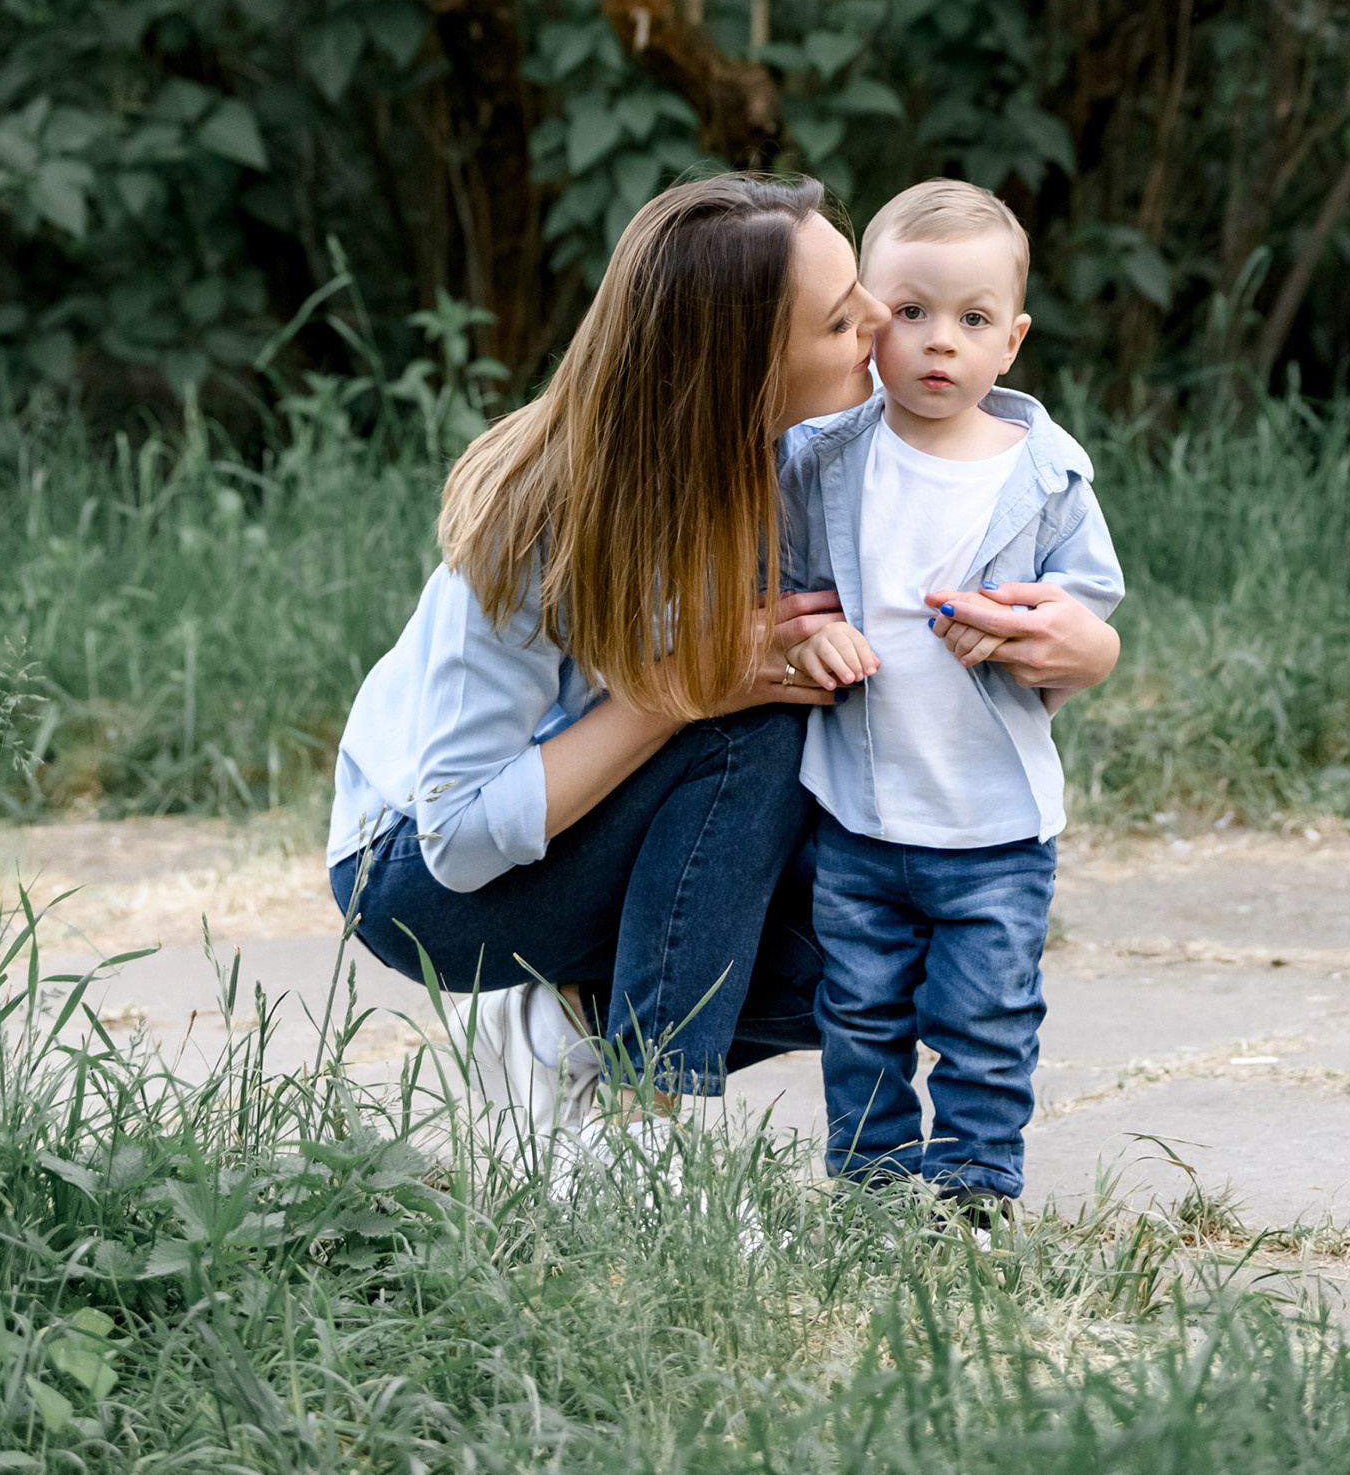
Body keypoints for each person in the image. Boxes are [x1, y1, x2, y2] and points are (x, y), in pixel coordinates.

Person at [327, 172, 882, 1138]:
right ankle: (643, 1126)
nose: (879, 317)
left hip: (612, 835)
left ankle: (567, 1025)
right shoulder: (535, 524)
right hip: (417, 879)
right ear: (743, 372)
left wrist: (1073, 637)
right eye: (841, 322)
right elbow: (453, 841)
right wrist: (681, 689)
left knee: (896, 938)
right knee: (749, 715)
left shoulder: (798, 458)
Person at [774, 177, 1124, 1231]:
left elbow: (1085, 596)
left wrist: (1033, 624)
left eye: (972, 321)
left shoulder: (1046, 473)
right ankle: (873, 1188)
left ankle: (977, 1188)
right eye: (912, 313)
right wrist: (806, 632)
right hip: (859, 810)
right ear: (870, 319)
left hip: (995, 820)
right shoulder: (823, 458)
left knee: (986, 1015)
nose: (939, 343)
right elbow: (779, 588)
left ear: (1010, 341)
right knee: (860, 1012)